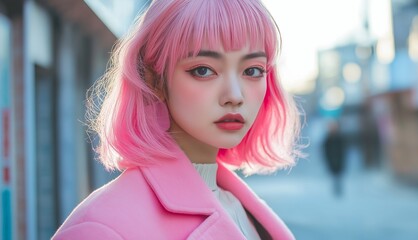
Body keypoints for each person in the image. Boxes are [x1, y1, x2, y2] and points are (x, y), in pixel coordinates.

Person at [52, 0, 302, 239]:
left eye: (252, 71)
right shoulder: (101, 228)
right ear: (154, 79)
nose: (235, 96)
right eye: (203, 70)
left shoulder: (243, 206)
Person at [322, 120, 346, 197]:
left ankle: (338, 188)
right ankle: (335, 188)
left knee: (338, 175)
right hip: (331, 159)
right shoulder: (328, 139)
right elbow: (325, 150)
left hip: (339, 159)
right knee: (334, 174)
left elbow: (343, 150)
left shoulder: (339, 138)